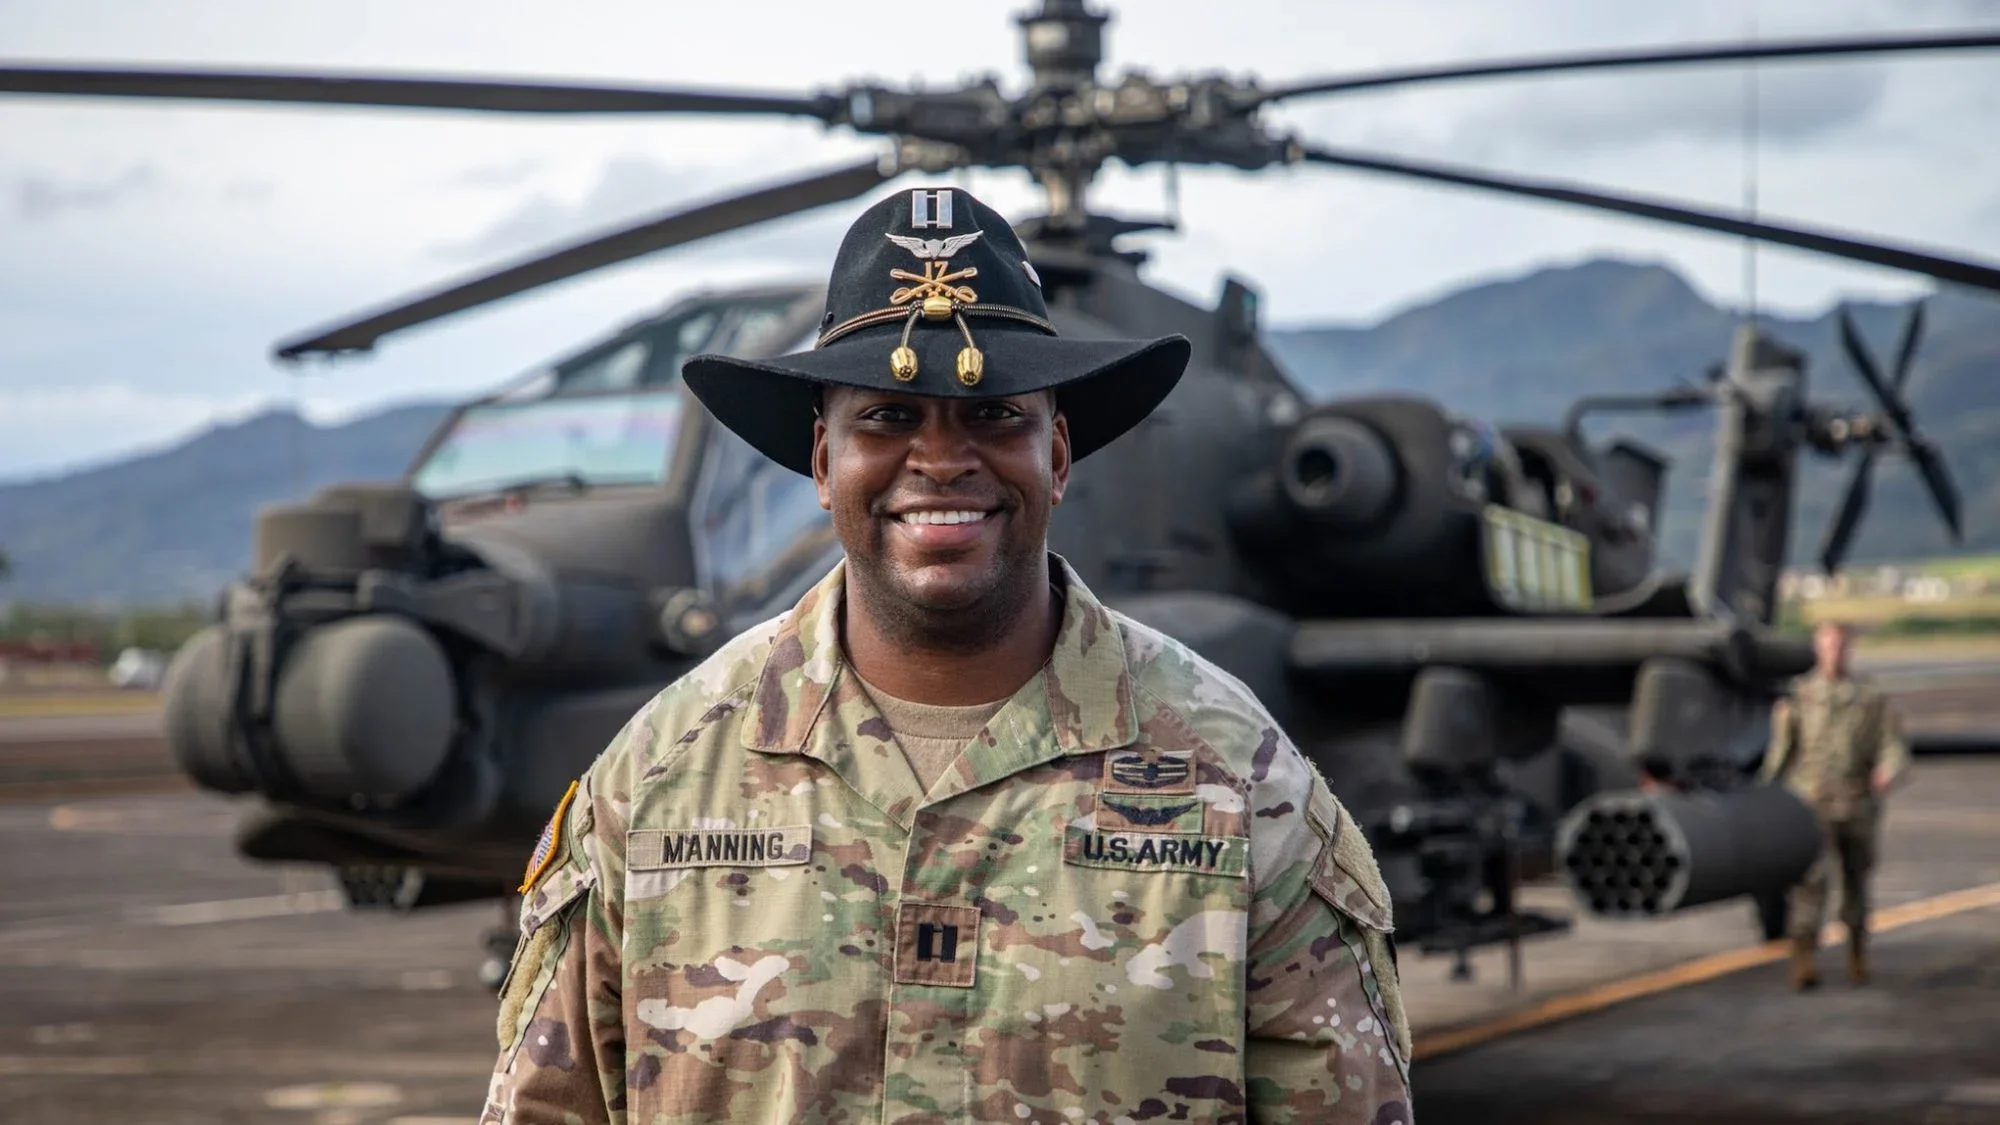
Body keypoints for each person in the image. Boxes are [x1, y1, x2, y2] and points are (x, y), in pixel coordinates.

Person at [479, 187, 1414, 1124]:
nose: (940, 457)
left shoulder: (1237, 776)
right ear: (820, 461)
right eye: (886, 417)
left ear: (1056, 455)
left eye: (993, 414)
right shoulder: (660, 776)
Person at [1760, 618, 1912, 990]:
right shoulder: (1799, 697)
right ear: (1817, 649)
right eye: (1827, 645)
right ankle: (1804, 959)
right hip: (1812, 805)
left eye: (1840, 646)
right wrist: (1762, 798)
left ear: (1849, 650)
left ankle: (1857, 954)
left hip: (1858, 805)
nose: (1834, 653)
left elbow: (1893, 746)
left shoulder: (1870, 698)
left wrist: (1889, 770)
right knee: (1811, 885)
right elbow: (1780, 754)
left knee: (1857, 884)